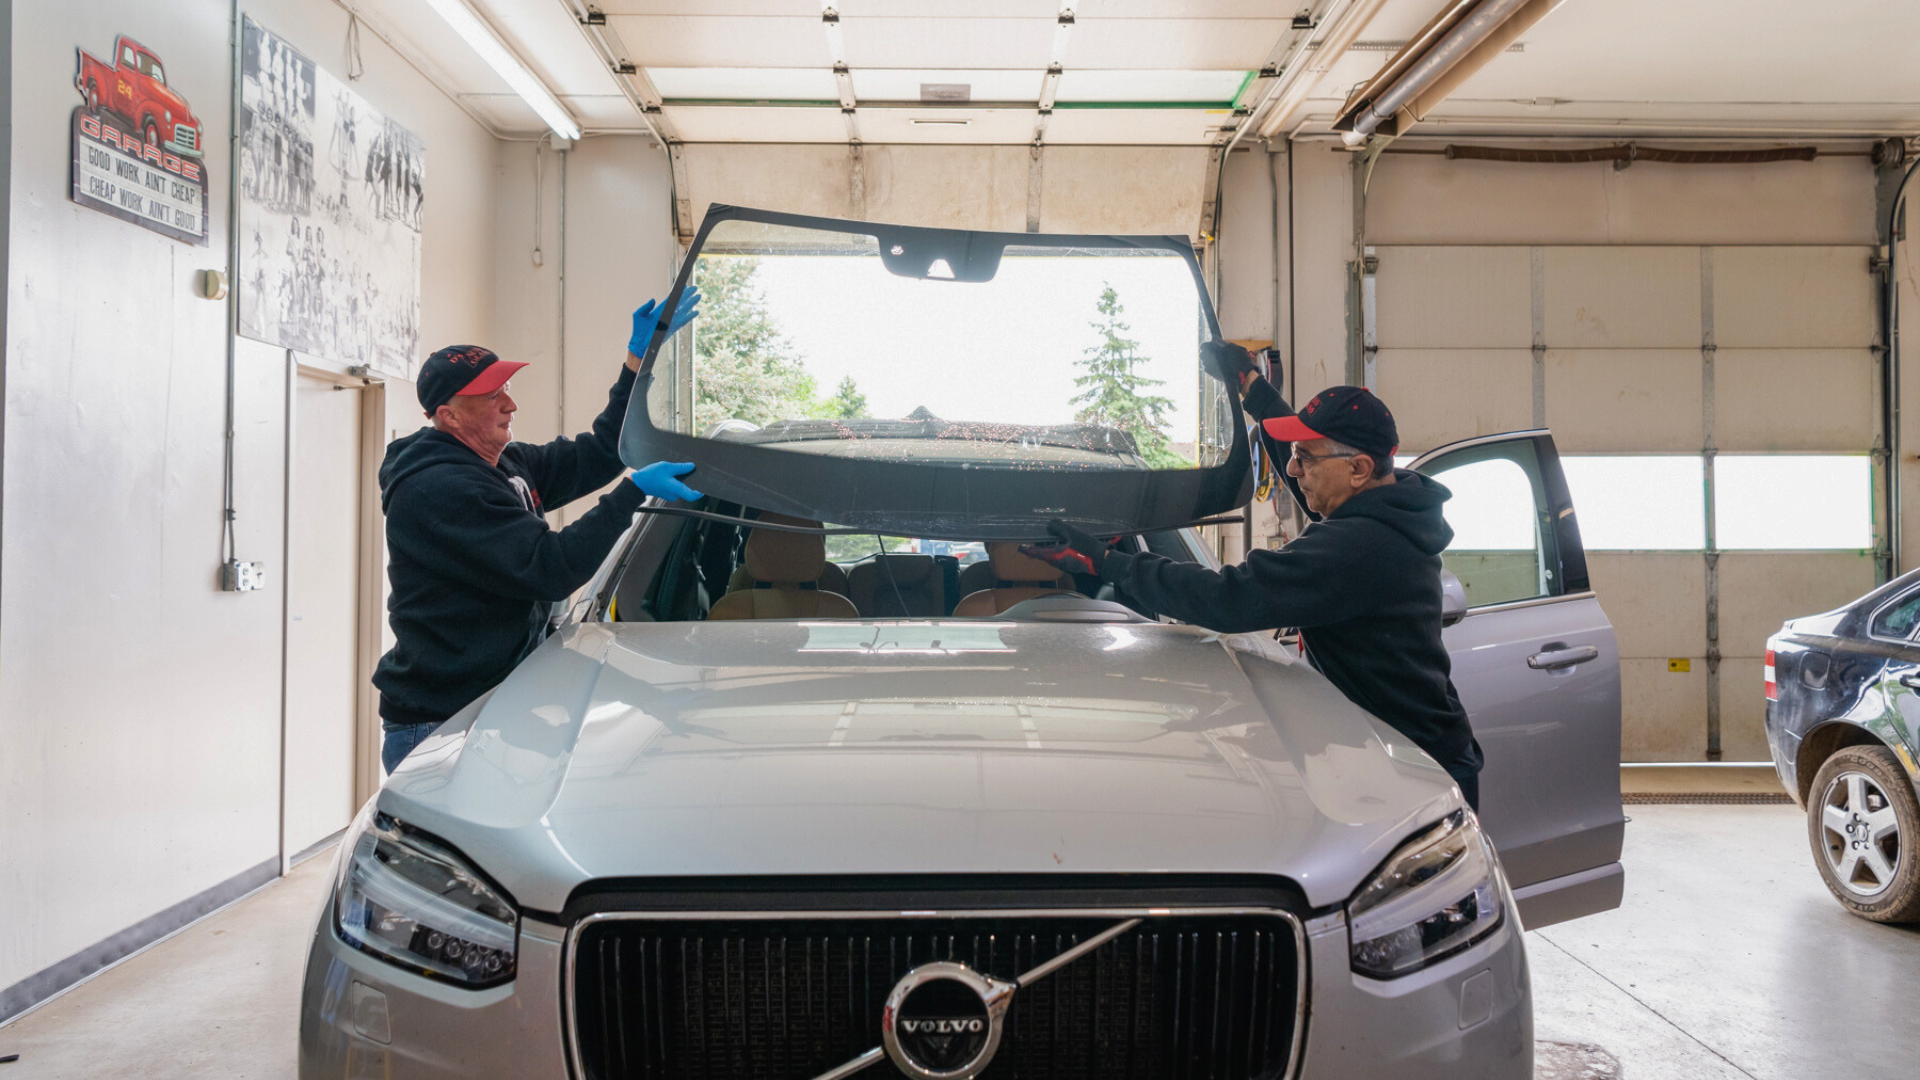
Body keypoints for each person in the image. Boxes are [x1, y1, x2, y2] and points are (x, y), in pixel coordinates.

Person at [1021, 343, 1485, 809]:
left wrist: (1107, 563)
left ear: (1359, 469)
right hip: (1405, 745)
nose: (1291, 468)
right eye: (1296, 452)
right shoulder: (1397, 505)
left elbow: (1228, 598)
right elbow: (1316, 493)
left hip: (1413, 768)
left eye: (1306, 457)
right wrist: (1252, 388)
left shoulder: (1358, 547)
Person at [372, 293, 705, 772]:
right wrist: (631, 495)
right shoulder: (436, 489)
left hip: (494, 708)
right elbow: (551, 568)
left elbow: (600, 453)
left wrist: (638, 362)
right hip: (442, 723)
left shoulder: (504, 461)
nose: (511, 403)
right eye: (492, 396)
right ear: (449, 415)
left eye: (506, 387)